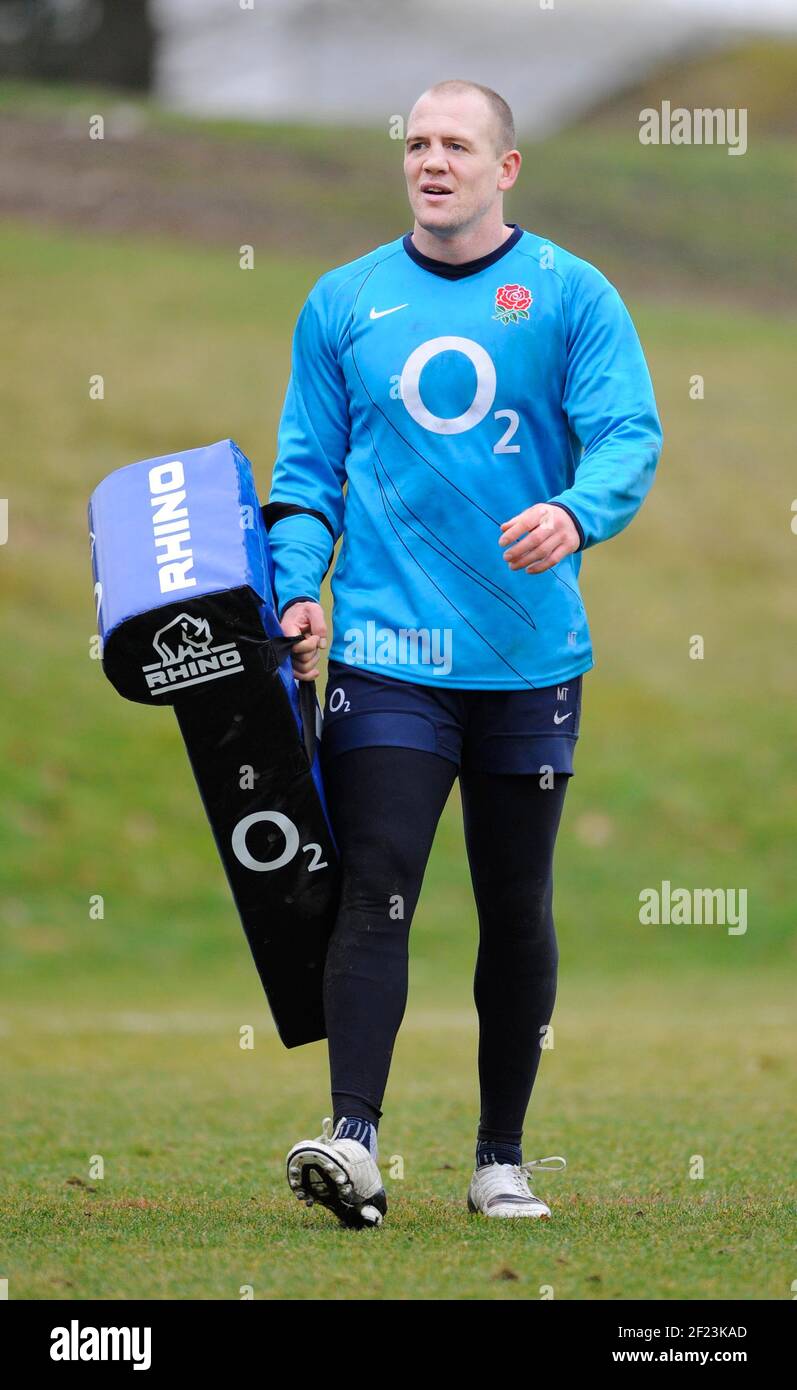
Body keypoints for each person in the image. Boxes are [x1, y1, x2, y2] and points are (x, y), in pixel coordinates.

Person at [267, 79, 663, 1227]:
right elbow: (302, 479)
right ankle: (353, 1140)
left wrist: (578, 511)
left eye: (455, 144)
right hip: (389, 656)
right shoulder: (341, 302)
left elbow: (628, 432)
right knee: (376, 883)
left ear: (506, 168)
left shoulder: (572, 295)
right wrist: (299, 595)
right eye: (415, 144)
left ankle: (500, 1159)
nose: (431, 161)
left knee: (516, 904)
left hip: (528, 660)